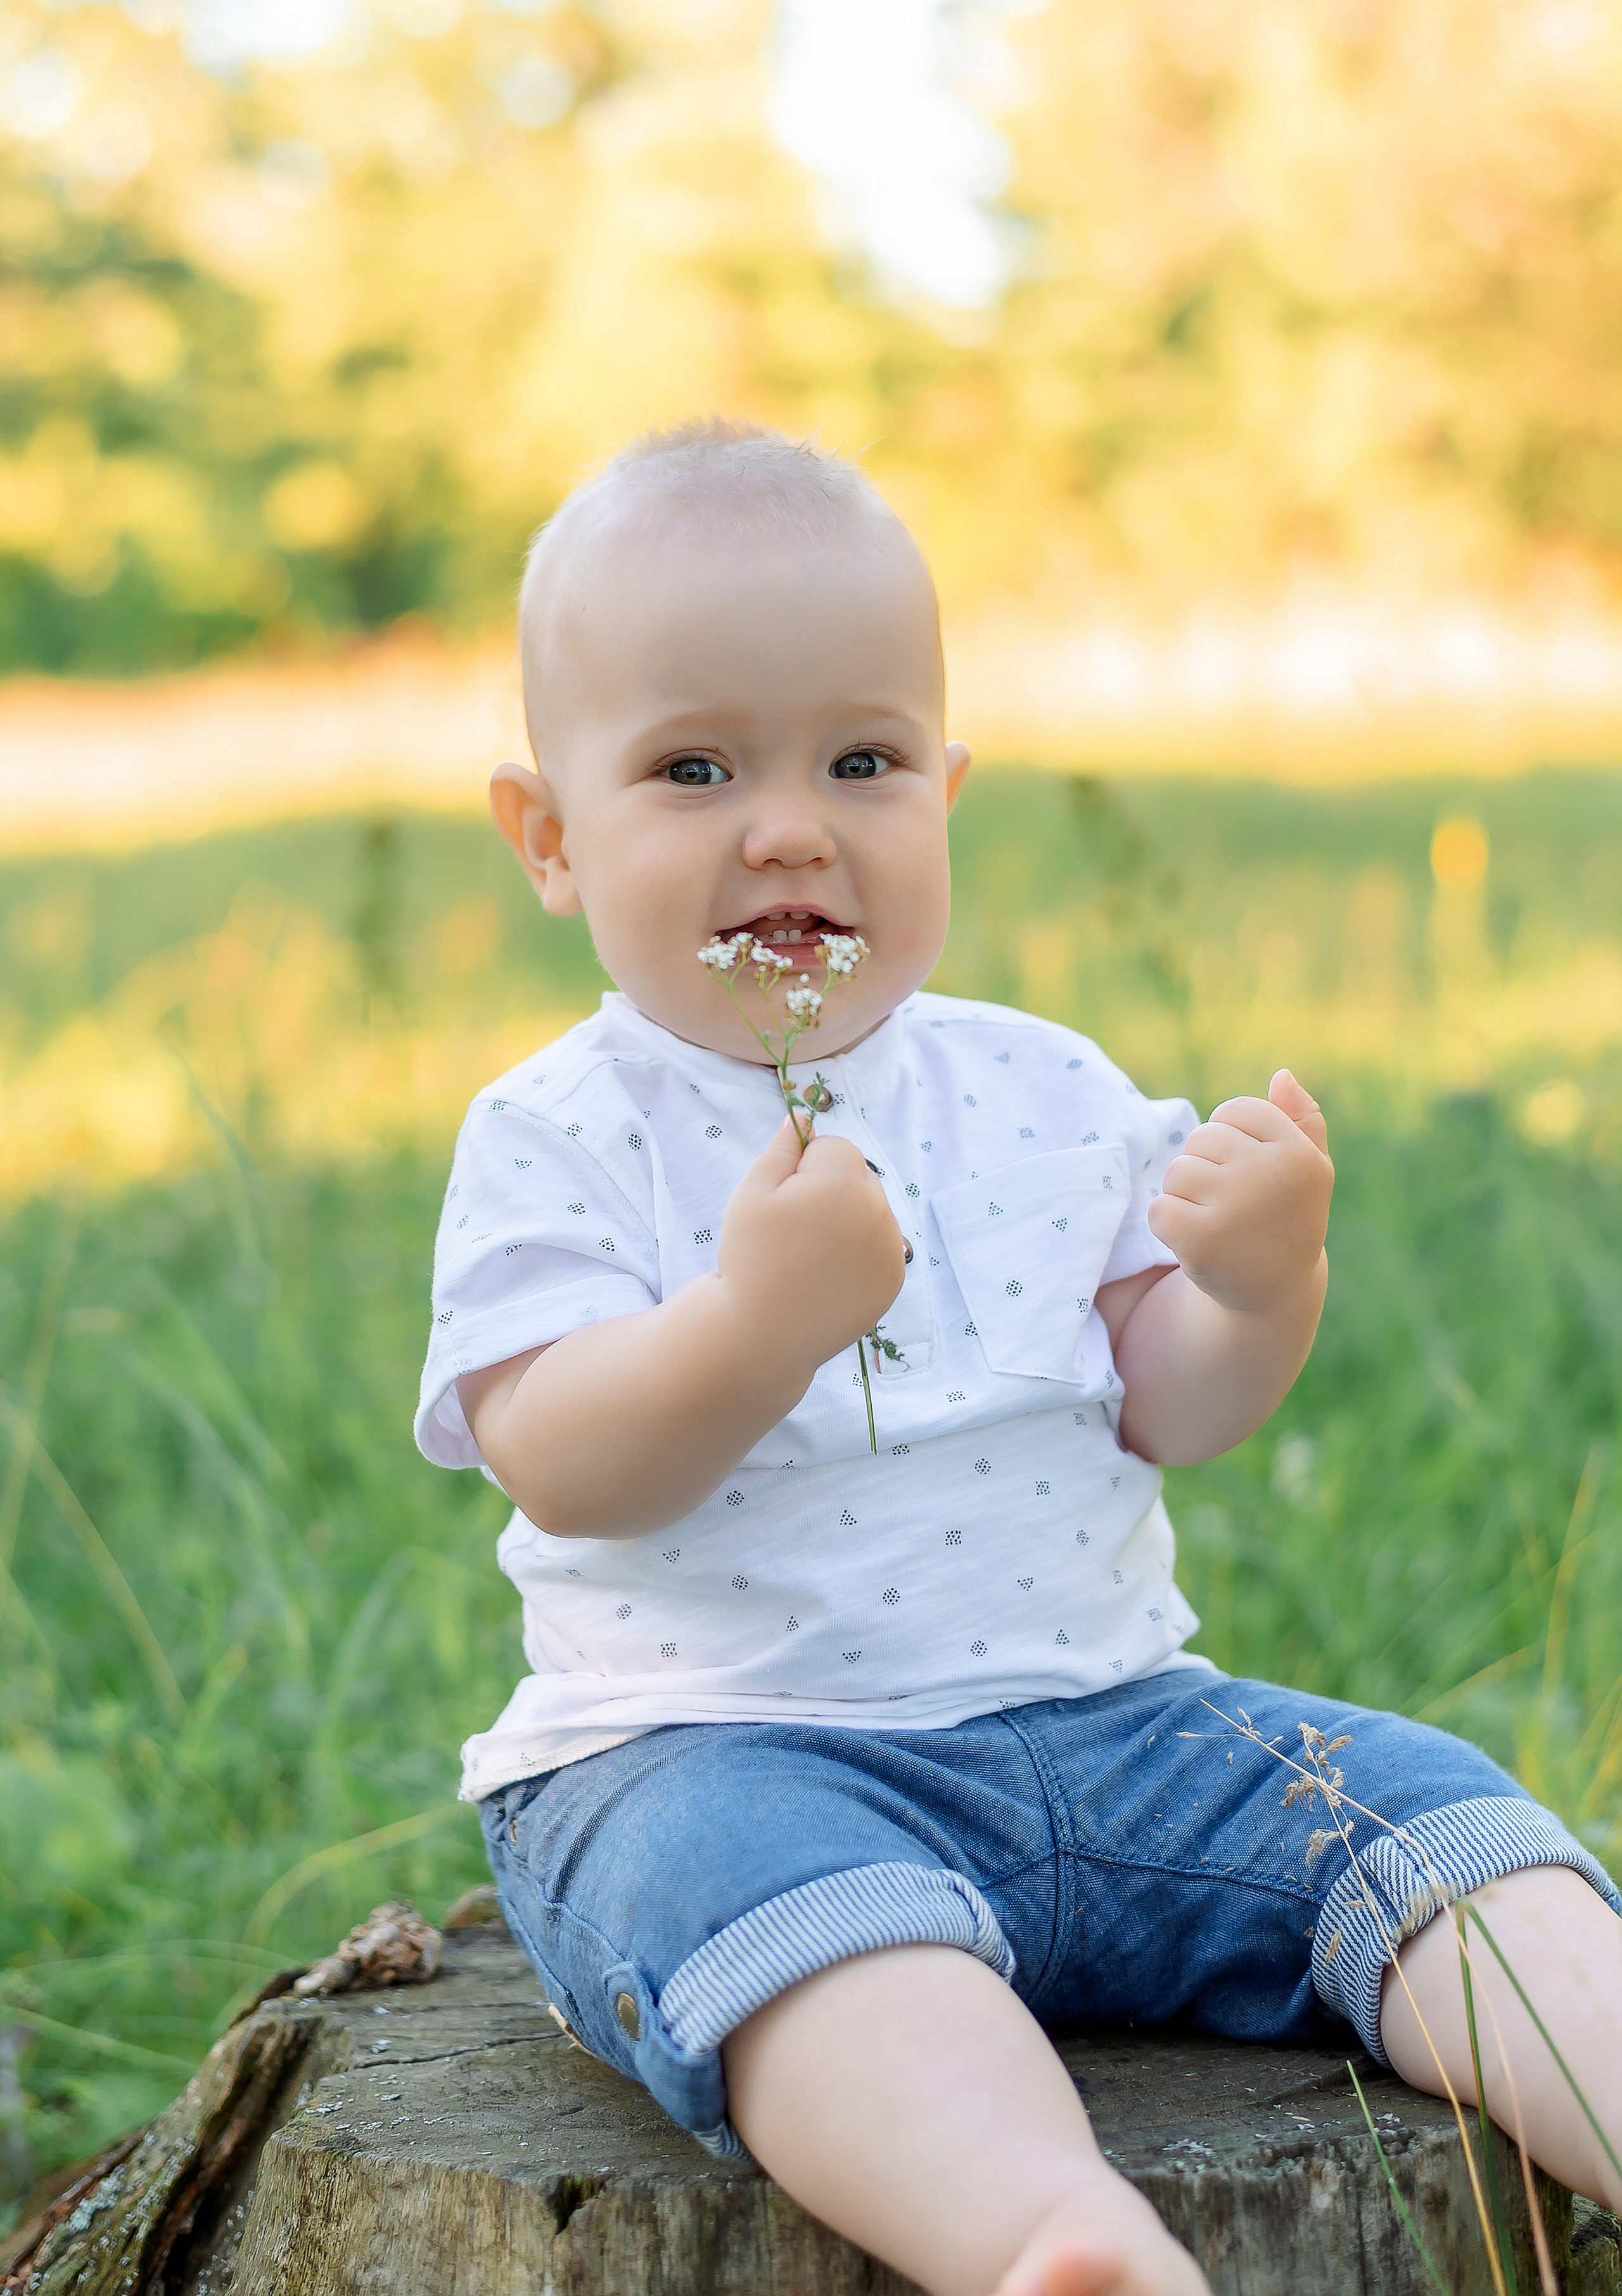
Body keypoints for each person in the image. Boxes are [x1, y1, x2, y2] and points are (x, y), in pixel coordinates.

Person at [415, 420, 1620, 2296]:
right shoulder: (561, 1128)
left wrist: (1256, 1285)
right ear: (552, 838)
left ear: (946, 793)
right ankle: (1055, 2237)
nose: (792, 826)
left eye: (864, 761)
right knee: (817, 1951)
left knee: (1428, 1818)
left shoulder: (1045, 1086)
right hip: (723, 1750)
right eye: (695, 768)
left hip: (1120, 1725)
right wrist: (753, 1325)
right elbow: (564, 1459)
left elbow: (1173, 1404)